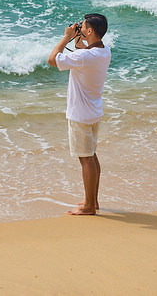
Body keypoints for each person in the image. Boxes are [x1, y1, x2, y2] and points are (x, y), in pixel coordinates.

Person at [47, 13, 110, 216]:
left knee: (86, 159)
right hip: (93, 112)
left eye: (83, 27)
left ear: (90, 31)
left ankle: (89, 207)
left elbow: (52, 60)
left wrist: (66, 37)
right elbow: (81, 55)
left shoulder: (84, 57)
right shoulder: (103, 51)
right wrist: (78, 40)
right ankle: (93, 200)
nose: (80, 28)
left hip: (80, 115)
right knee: (91, 156)